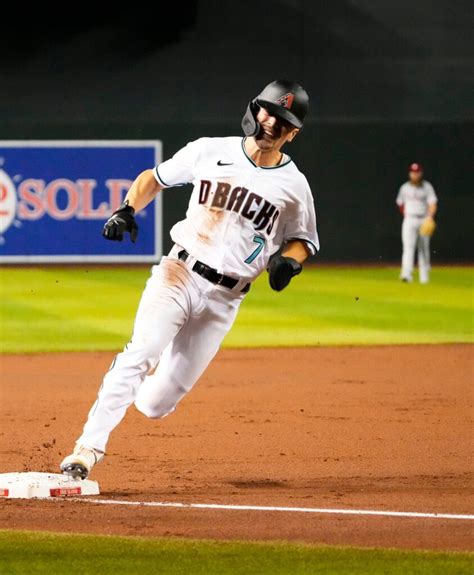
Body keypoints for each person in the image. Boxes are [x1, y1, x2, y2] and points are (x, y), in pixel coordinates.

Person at [60, 80, 319, 479]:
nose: (270, 122)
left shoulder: (294, 185)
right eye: (267, 111)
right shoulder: (209, 150)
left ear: (293, 133)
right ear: (254, 109)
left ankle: (141, 380)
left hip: (225, 298)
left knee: (156, 404)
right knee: (140, 352)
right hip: (179, 271)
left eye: (281, 120)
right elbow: (154, 178)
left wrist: (290, 261)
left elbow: (302, 239)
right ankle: (86, 449)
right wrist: (127, 209)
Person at [396, 163, 438, 284]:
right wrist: (407, 215)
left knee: (423, 249)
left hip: (424, 219)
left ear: (421, 173)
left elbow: (432, 203)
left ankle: (424, 278)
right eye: (413, 172)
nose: (415, 174)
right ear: (410, 173)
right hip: (409, 219)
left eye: (417, 172)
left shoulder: (427, 187)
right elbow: (400, 204)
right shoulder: (404, 188)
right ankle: (406, 275)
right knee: (408, 248)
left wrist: (430, 217)